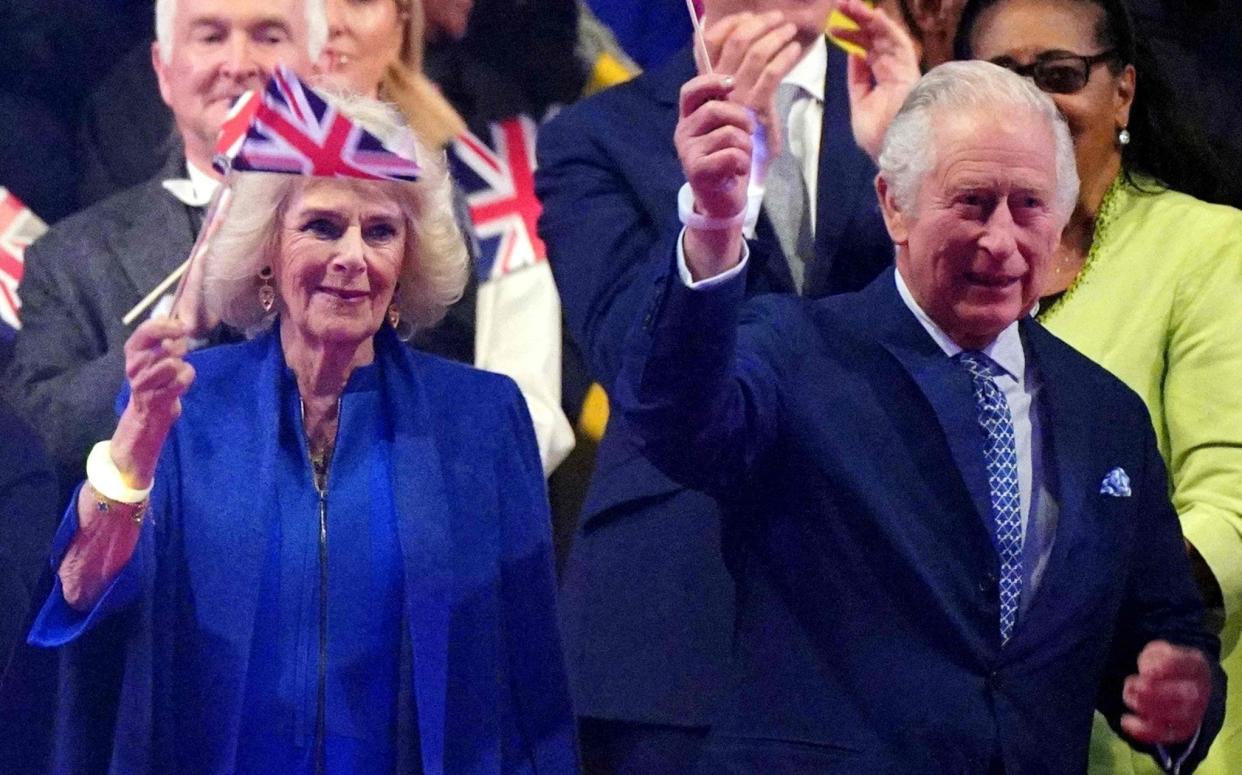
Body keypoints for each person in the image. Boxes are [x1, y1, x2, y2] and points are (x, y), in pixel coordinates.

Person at [615, 58, 1224, 773]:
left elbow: (1161, 630)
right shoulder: (795, 353)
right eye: (972, 202)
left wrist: (1181, 694)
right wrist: (713, 229)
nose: (1001, 240)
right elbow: (673, 418)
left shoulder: (1108, 415)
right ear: (894, 204)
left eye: (1029, 205)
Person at [26, 88, 575, 773]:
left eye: (380, 231)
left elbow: (532, 680)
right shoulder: (185, 407)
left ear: (407, 262)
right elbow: (79, 590)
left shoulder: (482, 419)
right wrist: (132, 453)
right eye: (321, 226)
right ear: (266, 253)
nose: (353, 255)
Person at [535, 0, 918, 768]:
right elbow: (635, 374)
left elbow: (981, 337)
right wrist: (718, 218)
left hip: (891, 606)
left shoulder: (911, 109)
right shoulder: (595, 136)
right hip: (679, 625)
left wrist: (917, 163)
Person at [956, 1, 1242, 771]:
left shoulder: (1211, 250)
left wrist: (1081, 606)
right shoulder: (940, 270)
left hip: (1144, 737)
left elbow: (1233, 508)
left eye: (1058, 75)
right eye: (999, 79)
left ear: (1122, 90)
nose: (1028, 104)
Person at [3, 0, 326, 501]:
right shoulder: (72, 258)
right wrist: (173, 327)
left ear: (318, 64)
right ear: (163, 71)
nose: (238, 63)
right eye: (211, 37)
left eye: (269, 36)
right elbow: (37, 438)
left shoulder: (390, 225)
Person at [315, 0, 575, 475]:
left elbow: (526, 413)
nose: (330, 22)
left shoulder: (485, 178)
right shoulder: (211, 170)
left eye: (358, 0)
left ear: (401, 22)